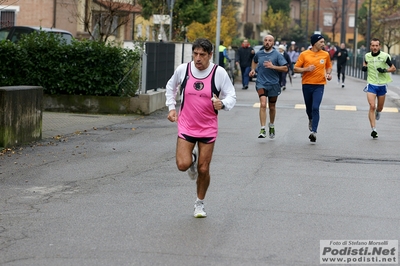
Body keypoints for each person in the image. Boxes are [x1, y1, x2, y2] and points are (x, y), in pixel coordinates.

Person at [165, 38, 236, 218]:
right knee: (182, 165)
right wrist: (172, 108)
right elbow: (170, 87)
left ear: (210, 55)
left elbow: (231, 95)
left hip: (207, 127)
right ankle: (192, 159)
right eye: (195, 54)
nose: (198, 58)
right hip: (186, 125)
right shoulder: (184, 69)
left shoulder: (218, 73)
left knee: (204, 169)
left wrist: (223, 103)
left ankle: (199, 203)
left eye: (202, 55)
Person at [294, 34, 332, 142]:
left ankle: (314, 132)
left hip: (319, 85)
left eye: (323, 42)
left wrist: (328, 74)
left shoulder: (325, 54)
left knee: (316, 107)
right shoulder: (304, 54)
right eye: (321, 42)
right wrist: (306, 69)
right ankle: (310, 119)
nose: (323, 44)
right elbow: (295, 69)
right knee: (309, 108)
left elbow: (328, 66)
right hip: (307, 84)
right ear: (314, 43)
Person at [249, 34, 288, 139]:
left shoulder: (277, 55)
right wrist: (253, 70)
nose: (267, 42)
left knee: (272, 107)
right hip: (261, 82)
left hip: (274, 84)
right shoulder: (259, 53)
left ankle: (271, 125)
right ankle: (262, 129)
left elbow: (285, 68)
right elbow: (254, 60)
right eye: (265, 40)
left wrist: (273, 66)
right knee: (262, 104)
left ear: (273, 43)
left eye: (270, 40)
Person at [361, 38, 396, 139]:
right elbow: (365, 63)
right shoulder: (367, 56)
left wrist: (385, 70)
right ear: (370, 46)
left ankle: (378, 112)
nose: (375, 47)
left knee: (379, 108)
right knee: (372, 106)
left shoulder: (385, 56)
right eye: (373, 46)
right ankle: (374, 130)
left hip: (382, 85)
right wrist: (364, 67)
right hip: (371, 84)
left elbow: (393, 68)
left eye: (377, 46)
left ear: (379, 46)